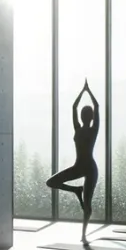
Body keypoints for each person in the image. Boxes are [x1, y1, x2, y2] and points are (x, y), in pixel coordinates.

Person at [46, 80, 100, 241]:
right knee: (51, 182)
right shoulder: (78, 128)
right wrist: (85, 91)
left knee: (87, 205)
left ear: (89, 117)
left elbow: (96, 107)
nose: (84, 116)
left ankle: (83, 235)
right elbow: (74, 108)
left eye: (86, 115)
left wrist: (87, 91)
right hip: (79, 166)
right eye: (84, 115)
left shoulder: (93, 130)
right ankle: (76, 190)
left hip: (90, 168)